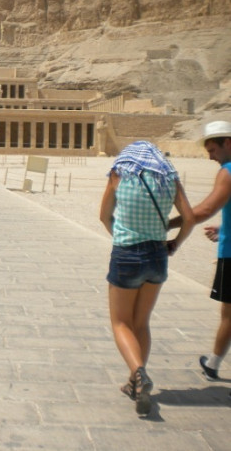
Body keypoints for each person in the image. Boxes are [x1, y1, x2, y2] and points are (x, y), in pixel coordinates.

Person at [99, 141, 194, 415]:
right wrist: (174, 243)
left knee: (121, 323)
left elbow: (104, 216)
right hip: (158, 256)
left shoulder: (120, 173)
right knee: (141, 322)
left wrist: (122, 237)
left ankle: (139, 374)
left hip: (127, 255)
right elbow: (189, 218)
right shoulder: (168, 176)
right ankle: (134, 382)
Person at [168, 120, 231, 382]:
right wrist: (224, 228)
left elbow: (205, 210)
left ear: (228, 143)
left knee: (229, 314)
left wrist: (168, 224)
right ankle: (214, 363)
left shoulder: (227, 172)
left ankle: (214, 363)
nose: (210, 157)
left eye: (213, 150)